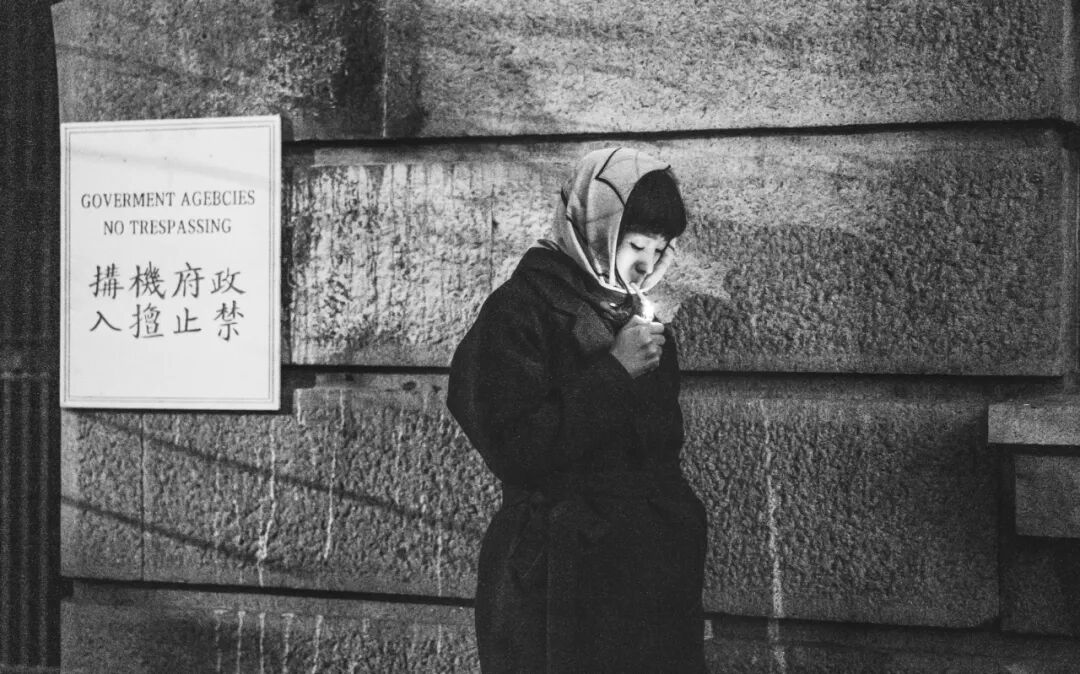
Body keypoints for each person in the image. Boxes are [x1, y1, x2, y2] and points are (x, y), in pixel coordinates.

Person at [448, 147, 707, 673]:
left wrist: (678, 524)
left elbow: (660, 450)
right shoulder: (520, 310)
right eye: (635, 244)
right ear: (597, 225)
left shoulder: (635, 319)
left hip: (647, 574)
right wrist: (614, 371)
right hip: (558, 576)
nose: (647, 264)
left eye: (660, 249)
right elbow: (514, 447)